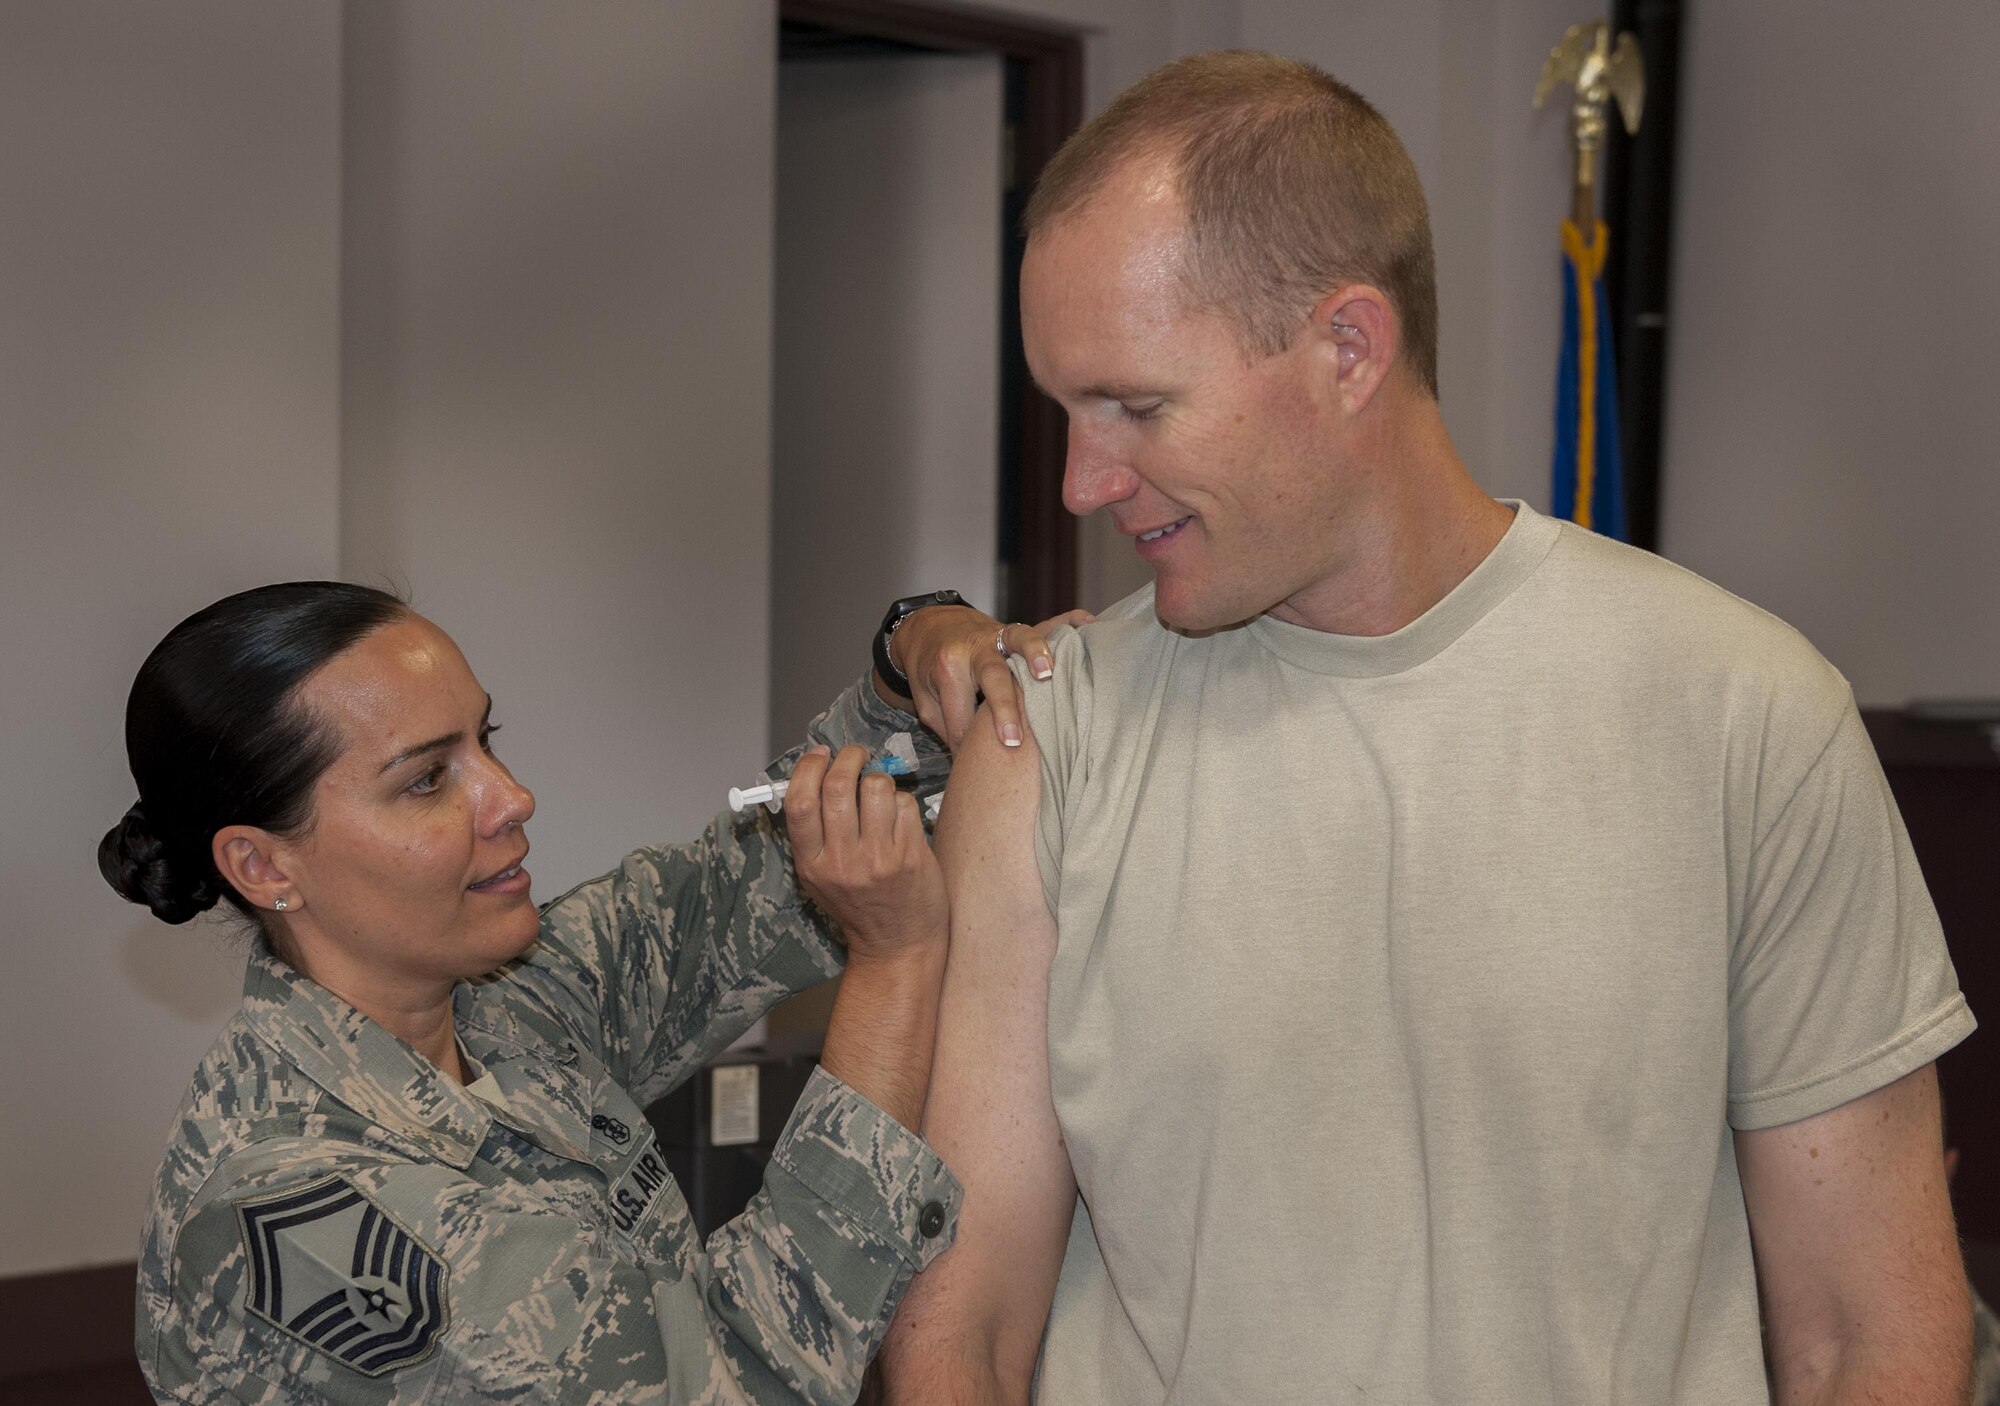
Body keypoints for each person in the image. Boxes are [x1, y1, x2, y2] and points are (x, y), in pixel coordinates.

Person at [882, 51, 1977, 1405]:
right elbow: (962, 1333)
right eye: (1065, 408)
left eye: (1136, 405)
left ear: (1348, 348)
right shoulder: (1046, 746)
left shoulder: (1747, 715)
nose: (1080, 481)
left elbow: (1871, 1334)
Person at [105, 580, 1075, 1405]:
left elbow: (745, 887)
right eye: (427, 779)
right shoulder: (297, 1206)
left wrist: (910, 652)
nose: (510, 796)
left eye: (485, 740)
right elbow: (737, 1380)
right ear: (263, 863)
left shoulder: (499, 1001)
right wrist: (895, 960)